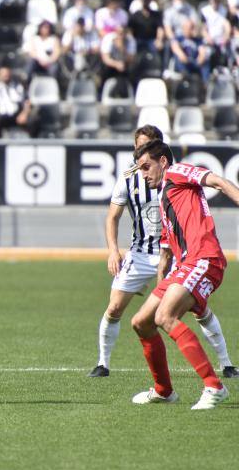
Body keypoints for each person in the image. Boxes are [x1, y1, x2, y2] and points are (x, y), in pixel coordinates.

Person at [89, 125, 237, 379]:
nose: (142, 155)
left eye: (148, 147)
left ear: (160, 154)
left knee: (192, 312)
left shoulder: (175, 173)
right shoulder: (130, 179)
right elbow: (113, 217)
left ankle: (223, 370)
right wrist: (113, 250)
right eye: (139, 148)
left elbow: (217, 181)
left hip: (188, 256)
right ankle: (105, 364)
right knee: (123, 312)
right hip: (143, 253)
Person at [129, 139, 239, 409]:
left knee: (164, 317)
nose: (144, 175)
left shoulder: (177, 172)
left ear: (163, 161)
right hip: (183, 266)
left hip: (204, 258)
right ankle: (164, 391)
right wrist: (162, 280)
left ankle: (214, 386)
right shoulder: (164, 195)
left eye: (146, 167)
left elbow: (219, 182)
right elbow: (167, 247)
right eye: (140, 170)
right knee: (141, 321)